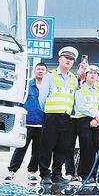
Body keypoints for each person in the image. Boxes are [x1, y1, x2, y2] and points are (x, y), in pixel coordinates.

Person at [38, 46, 80, 187]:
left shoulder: (73, 79)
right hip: (51, 116)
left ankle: (57, 174)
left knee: (62, 147)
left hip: (66, 117)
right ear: (59, 59)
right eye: (66, 58)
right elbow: (42, 98)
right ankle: (45, 174)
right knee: (47, 146)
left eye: (71, 59)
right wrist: (48, 111)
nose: (68, 61)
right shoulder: (50, 76)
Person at [6, 61, 46, 183]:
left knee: (37, 151)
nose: (40, 71)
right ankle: (12, 171)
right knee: (20, 148)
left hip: (41, 123)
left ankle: (32, 172)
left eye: (43, 69)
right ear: (34, 71)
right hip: (27, 123)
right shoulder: (27, 85)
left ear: (46, 72)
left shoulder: (47, 87)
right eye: (38, 69)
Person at [73, 65, 99, 181]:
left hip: (97, 120)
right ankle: (85, 175)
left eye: (95, 73)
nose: (93, 75)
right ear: (85, 75)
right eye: (90, 73)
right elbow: (81, 106)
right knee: (87, 148)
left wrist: (97, 118)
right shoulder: (80, 90)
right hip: (84, 120)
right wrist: (94, 115)